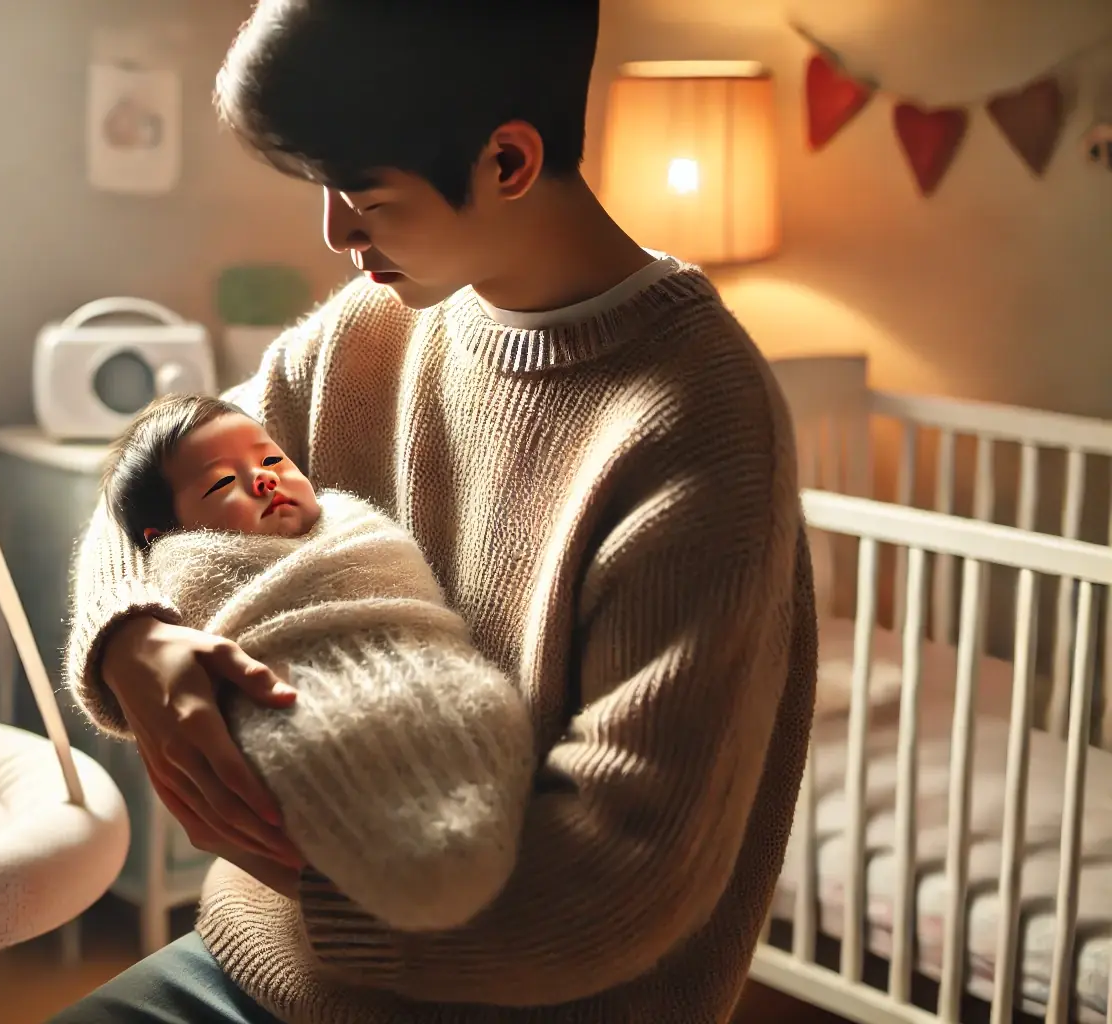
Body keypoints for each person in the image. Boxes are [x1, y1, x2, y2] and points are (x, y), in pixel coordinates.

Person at [50, 2, 818, 1021]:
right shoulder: (364, 332)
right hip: (248, 963)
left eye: (361, 191)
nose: (333, 229)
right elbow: (148, 480)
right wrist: (132, 638)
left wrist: (326, 883)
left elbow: (621, 880)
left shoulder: (697, 425)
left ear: (506, 160)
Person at [100, 393, 535, 934]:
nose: (263, 479)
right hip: (295, 705)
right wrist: (127, 634)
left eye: (274, 461)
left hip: (428, 667)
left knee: (472, 714)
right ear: (167, 535)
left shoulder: (349, 526)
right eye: (219, 484)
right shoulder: (184, 561)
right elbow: (117, 522)